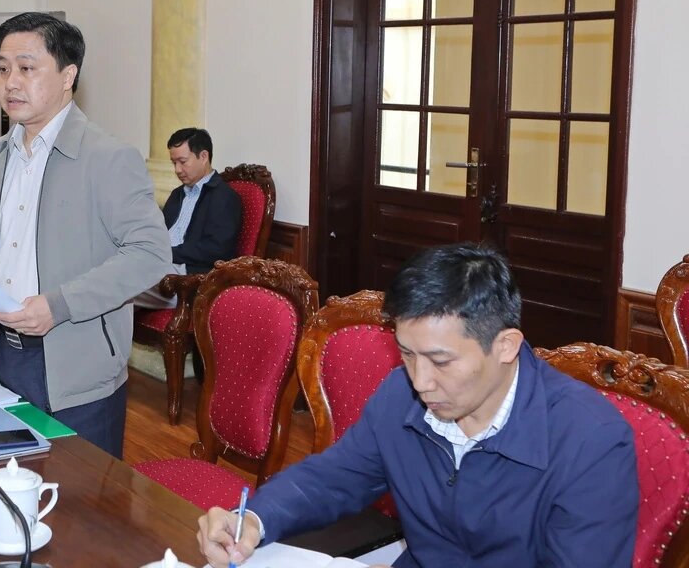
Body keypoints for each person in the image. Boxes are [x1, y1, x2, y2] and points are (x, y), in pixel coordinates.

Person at [198, 242, 638, 568]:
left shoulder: (590, 440)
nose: (421, 382)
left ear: (505, 346)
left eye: (440, 361)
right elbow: (333, 478)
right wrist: (253, 519)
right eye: (407, 354)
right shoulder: (400, 394)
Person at [0, 12, 172, 458]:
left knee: (81, 496)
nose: (10, 82)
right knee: (10, 485)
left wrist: (58, 305)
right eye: (3, 68)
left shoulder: (108, 157)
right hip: (1, 354)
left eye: (27, 68)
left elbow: (150, 253)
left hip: (76, 365)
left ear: (68, 76)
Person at [135, 127, 241, 309]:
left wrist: (167, 253)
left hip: (191, 278)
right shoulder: (177, 194)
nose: (177, 170)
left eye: (182, 162)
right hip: (161, 265)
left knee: (120, 284)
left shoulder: (224, 197)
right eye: (174, 163)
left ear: (203, 156)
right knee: (114, 274)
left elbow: (215, 250)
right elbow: (159, 232)